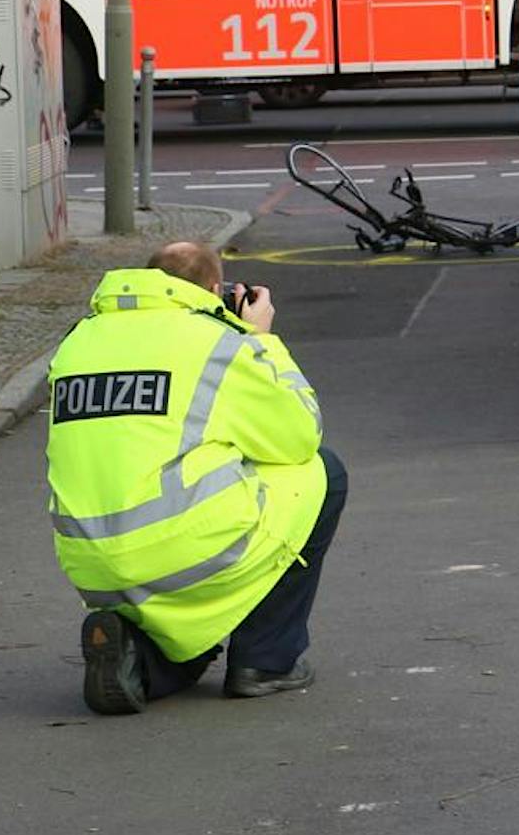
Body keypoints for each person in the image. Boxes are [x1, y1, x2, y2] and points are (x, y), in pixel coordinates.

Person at [47, 241, 346, 715]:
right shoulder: (220, 343)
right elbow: (299, 435)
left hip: (90, 561)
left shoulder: (78, 340)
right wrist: (260, 339)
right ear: (214, 289)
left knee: (178, 587)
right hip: (178, 551)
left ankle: (140, 661)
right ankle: (266, 661)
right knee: (322, 472)